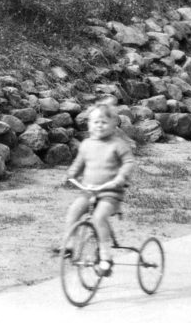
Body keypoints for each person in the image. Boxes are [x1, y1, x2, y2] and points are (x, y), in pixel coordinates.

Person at [57, 103, 136, 275]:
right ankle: (69, 244)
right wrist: (69, 174)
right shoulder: (86, 144)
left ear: (114, 124)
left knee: (99, 217)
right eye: (95, 122)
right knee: (74, 210)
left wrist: (121, 177)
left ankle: (106, 256)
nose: (99, 125)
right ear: (89, 124)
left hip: (111, 192)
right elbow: (79, 163)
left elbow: (129, 162)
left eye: (104, 122)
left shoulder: (118, 144)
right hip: (89, 190)